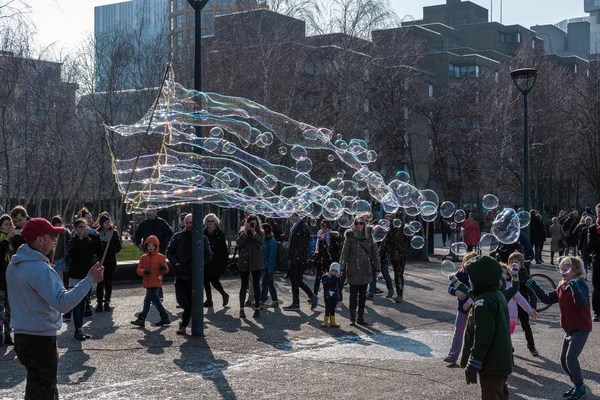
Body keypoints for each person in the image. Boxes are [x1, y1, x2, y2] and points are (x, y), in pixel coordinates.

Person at [6, 217, 104, 399]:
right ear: (39, 240)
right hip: (40, 340)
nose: (55, 239)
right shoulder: (40, 270)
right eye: (51, 236)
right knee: (42, 391)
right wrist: (90, 280)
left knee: (41, 388)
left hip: (21, 337)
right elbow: (63, 303)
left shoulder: (14, 265)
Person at [527, 257, 592, 400]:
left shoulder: (580, 283)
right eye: (561, 269)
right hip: (569, 329)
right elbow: (548, 299)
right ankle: (576, 385)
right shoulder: (561, 285)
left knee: (570, 358)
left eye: (566, 269)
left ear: (575, 271)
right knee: (563, 360)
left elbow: (581, 304)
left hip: (581, 328)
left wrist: (575, 289)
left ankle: (580, 387)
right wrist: (536, 288)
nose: (562, 272)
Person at [460, 255, 513, 400]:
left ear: (481, 279)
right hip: (501, 359)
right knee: (500, 393)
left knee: (491, 394)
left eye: (471, 278)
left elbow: (483, 334)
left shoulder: (483, 302)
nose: (469, 281)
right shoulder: (496, 295)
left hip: (491, 362)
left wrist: (475, 360)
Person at [167, 214, 212, 335]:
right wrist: (176, 263)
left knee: (193, 301)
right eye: (187, 223)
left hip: (194, 276)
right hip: (180, 274)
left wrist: (198, 263)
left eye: (191, 223)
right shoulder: (177, 237)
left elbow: (208, 255)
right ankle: (185, 321)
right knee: (181, 300)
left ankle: (183, 325)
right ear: (183, 224)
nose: (189, 225)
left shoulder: (203, 238)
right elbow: (169, 252)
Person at [340, 216, 381, 326]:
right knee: (353, 295)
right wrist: (341, 268)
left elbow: (375, 254)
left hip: (366, 269)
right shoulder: (350, 237)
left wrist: (377, 268)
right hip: (353, 269)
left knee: (363, 296)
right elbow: (344, 254)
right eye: (357, 223)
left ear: (364, 224)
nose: (359, 225)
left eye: (361, 223)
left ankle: (361, 318)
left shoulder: (369, 237)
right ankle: (353, 318)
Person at [67, 218, 103, 340]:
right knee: (77, 303)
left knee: (83, 304)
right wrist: (81, 238)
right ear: (75, 229)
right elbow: (72, 253)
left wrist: (97, 237)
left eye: (85, 227)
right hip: (76, 275)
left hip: (87, 275)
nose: (83, 229)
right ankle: (77, 329)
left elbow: (98, 250)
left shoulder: (89, 240)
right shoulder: (73, 241)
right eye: (81, 227)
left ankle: (80, 328)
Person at [443, 251, 476, 366]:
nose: (469, 263)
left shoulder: (478, 275)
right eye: (467, 261)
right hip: (462, 309)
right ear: (463, 263)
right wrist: (455, 291)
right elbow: (450, 288)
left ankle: (474, 357)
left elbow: (478, 292)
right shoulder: (460, 274)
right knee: (458, 332)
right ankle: (453, 356)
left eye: (472, 261)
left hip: (475, 310)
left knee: (475, 334)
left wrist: (469, 301)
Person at [130, 236, 171, 327]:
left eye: (153, 245)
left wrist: (164, 268)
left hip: (156, 282)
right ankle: (164, 317)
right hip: (148, 282)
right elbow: (138, 270)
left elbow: (166, 270)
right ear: (146, 246)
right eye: (149, 245)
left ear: (156, 246)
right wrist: (144, 271)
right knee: (155, 301)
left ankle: (142, 318)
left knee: (147, 301)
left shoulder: (161, 257)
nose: (151, 247)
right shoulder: (144, 258)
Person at [283, 213, 316, 312]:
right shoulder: (296, 227)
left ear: (299, 216)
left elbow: (302, 245)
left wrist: (296, 257)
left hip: (300, 259)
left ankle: (311, 297)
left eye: (293, 216)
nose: (292, 218)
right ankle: (296, 303)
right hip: (295, 258)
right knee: (294, 280)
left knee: (297, 280)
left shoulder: (303, 227)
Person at [508, 252, 540, 356]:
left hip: (522, 305)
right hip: (510, 306)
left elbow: (532, 293)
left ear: (521, 264)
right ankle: (507, 346)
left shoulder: (525, 277)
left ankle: (532, 347)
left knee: (526, 326)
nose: (513, 264)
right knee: (506, 327)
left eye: (516, 262)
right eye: (511, 262)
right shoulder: (506, 276)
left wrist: (533, 307)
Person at [236, 214, 264, 319]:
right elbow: (238, 243)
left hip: (256, 263)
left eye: (254, 224)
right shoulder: (242, 233)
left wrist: (254, 232)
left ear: (257, 224)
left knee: (256, 285)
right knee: (243, 285)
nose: (252, 225)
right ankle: (241, 309)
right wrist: (245, 233)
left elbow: (261, 242)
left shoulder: (260, 233)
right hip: (244, 262)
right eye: (250, 223)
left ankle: (257, 308)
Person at [94, 212, 121, 312]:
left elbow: (119, 247)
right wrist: (100, 250)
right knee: (100, 282)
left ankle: (107, 302)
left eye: (108, 221)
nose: (107, 223)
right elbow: (94, 247)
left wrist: (110, 251)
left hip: (111, 261)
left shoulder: (113, 233)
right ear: (101, 223)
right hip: (101, 261)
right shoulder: (97, 233)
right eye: (105, 222)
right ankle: (99, 302)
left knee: (108, 282)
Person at [379, 217, 411, 303]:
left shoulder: (390, 230)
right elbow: (409, 241)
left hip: (395, 255)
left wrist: (380, 255)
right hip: (401, 255)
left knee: (398, 274)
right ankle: (399, 294)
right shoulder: (404, 229)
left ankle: (399, 295)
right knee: (399, 274)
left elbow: (384, 244)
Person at [203, 213, 229, 308]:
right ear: (206, 222)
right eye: (208, 221)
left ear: (215, 222)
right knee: (205, 281)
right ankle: (209, 300)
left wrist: (225, 262)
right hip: (206, 261)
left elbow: (224, 249)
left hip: (217, 261)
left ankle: (224, 294)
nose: (210, 223)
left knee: (214, 281)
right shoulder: (203, 232)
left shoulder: (220, 233)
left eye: (212, 221)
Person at [313, 220, 341, 298]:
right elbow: (318, 249)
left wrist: (324, 241)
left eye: (326, 227)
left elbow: (333, 249)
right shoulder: (319, 234)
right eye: (322, 226)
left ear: (329, 228)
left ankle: (332, 294)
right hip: (321, 259)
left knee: (330, 278)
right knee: (318, 277)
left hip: (329, 260)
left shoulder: (332, 236)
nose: (324, 228)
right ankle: (314, 294)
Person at [0, 214, 15, 346]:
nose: (9, 227)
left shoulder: (13, 239)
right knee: (0, 310)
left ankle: (8, 335)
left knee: (9, 310)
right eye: (6, 224)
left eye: (10, 224)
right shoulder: (3, 238)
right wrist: (6, 240)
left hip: (10, 280)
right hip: (0, 280)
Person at [260, 223, 280, 307]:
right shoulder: (265, 240)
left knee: (264, 284)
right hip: (265, 266)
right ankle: (275, 301)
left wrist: (270, 269)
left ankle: (261, 301)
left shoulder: (272, 241)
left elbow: (272, 257)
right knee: (270, 284)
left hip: (269, 267)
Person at [50, 216, 71, 293]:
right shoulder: (51, 234)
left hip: (62, 258)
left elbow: (69, 243)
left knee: (61, 276)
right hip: (53, 258)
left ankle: (61, 291)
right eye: (56, 224)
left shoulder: (65, 233)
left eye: (59, 224)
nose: (58, 226)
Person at [587, 204, 600, 322]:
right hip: (598, 260)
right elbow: (590, 244)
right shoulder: (592, 228)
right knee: (596, 287)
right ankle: (597, 312)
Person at [320, 262, 343, 328]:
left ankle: (332, 322)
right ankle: (325, 321)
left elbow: (339, 289)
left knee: (333, 310)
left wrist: (340, 298)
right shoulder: (326, 277)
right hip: (328, 297)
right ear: (330, 270)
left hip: (335, 297)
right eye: (333, 271)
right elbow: (327, 283)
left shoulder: (338, 278)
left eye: (336, 271)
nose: (334, 272)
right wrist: (335, 278)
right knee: (327, 309)